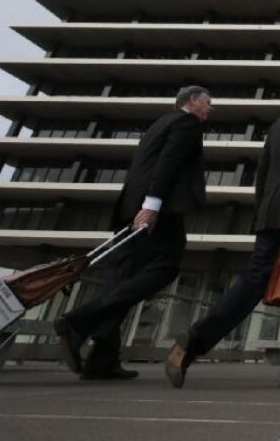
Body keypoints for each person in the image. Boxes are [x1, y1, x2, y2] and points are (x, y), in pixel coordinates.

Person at [164, 71, 280, 389]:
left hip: (271, 211)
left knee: (262, 284)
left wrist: (260, 213)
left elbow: (262, 173)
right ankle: (198, 339)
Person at [54, 86, 212, 380]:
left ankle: (102, 359)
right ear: (192, 101)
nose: (209, 109)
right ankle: (80, 320)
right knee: (166, 267)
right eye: (207, 103)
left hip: (131, 206)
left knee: (122, 279)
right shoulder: (185, 123)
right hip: (158, 210)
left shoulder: (159, 123)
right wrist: (152, 205)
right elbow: (169, 163)